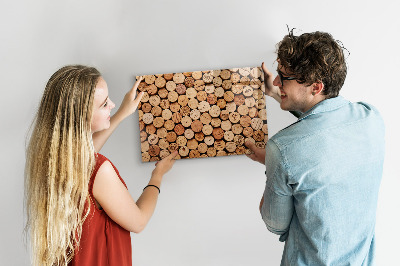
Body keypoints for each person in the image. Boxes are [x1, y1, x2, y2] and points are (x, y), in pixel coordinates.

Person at [245, 31, 385, 265]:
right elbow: (324, 124)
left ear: (316, 86)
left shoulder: (282, 149)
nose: (277, 81)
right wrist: (275, 93)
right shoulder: (371, 118)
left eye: (283, 77)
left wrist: (273, 163)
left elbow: (275, 224)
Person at [24, 65, 177, 266]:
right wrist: (157, 175)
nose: (112, 104)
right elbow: (138, 221)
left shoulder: (52, 159)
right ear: (81, 117)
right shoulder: (99, 170)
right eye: (105, 104)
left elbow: (86, 156)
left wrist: (122, 113)